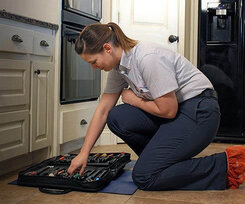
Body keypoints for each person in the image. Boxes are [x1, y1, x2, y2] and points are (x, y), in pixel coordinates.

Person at [67, 22, 245, 190]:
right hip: (179, 112)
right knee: (116, 117)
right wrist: (84, 153)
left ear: (107, 49)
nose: (93, 68)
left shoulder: (147, 58)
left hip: (200, 111)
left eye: (93, 62)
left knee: (145, 177)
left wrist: (135, 100)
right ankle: (160, 161)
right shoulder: (118, 68)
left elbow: (168, 110)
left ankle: (227, 164)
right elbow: (103, 110)